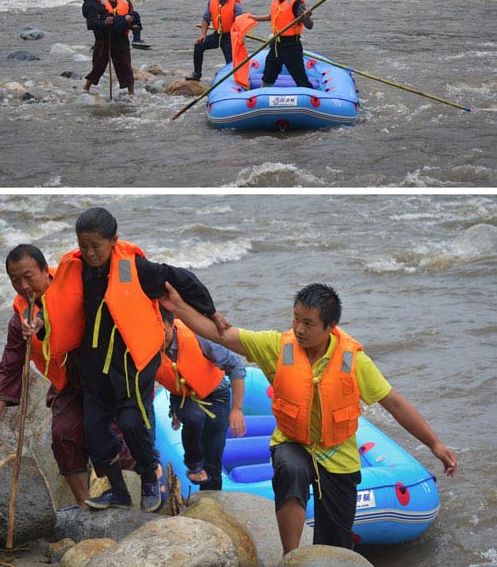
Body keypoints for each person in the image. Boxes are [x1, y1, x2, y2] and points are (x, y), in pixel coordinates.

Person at [163, 280, 457, 555]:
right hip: (293, 442)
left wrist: (435, 445)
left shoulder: (353, 361)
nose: (299, 329)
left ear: (330, 326)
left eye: (308, 323)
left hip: (339, 452)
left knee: (336, 544)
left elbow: (393, 403)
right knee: (291, 471)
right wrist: (179, 308)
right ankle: (292, 558)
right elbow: (221, 335)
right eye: (296, 319)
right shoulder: (277, 346)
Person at [36, 207, 217, 514]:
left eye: (97, 246)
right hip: (95, 368)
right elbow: (56, 303)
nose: (90, 253)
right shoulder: (77, 267)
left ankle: (149, 476)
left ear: (114, 240)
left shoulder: (134, 268)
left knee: (133, 422)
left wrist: (209, 312)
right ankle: (118, 491)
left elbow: (181, 279)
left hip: (131, 366)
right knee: (94, 431)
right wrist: (40, 322)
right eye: (84, 245)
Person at [0, 243, 90, 505]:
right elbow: (9, 367)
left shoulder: (75, 288)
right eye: (14, 280)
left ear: (45, 271)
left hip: (101, 378)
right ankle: (84, 505)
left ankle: (140, 488)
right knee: (63, 434)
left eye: (28, 277)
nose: (22, 286)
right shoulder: (20, 318)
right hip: (67, 383)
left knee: (111, 432)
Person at [157, 306, 246, 489]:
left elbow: (236, 366)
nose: (159, 337)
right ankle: (194, 464)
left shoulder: (197, 336)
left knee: (214, 453)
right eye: (153, 331)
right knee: (193, 417)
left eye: (162, 330)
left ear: (171, 325)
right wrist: (175, 410)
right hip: (184, 397)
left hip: (217, 394)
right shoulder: (146, 348)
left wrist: (237, 409)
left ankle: (211, 501)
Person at [255, 0, 313, 89]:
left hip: (291, 46)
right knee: (268, 74)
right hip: (276, 44)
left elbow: (309, 25)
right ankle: (264, 94)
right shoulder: (277, 1)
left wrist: (306, 17)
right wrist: (254, 18)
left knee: (300, 77)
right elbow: (273, 17)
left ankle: (311, 96)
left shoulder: (297, 3)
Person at [81, 0, 134, 98]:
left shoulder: (126, 1)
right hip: (104, 39)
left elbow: (132, 18)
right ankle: (85, 89)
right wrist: (103, 29)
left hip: (121, 39)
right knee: (98, 65)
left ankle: (131, 94)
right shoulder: (98, 2)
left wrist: (132, 24)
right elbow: (92, 23)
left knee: (126, 66)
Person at [187, 0, 243, 82]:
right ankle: (196, 74)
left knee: (231, 62)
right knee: (199, 45)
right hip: (217, 35)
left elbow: (240, 24)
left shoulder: (236, 5)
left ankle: (232, 79)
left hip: (229, 37)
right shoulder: (212, 0)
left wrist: (237, 39)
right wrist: (203, 34)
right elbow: (205, 19)